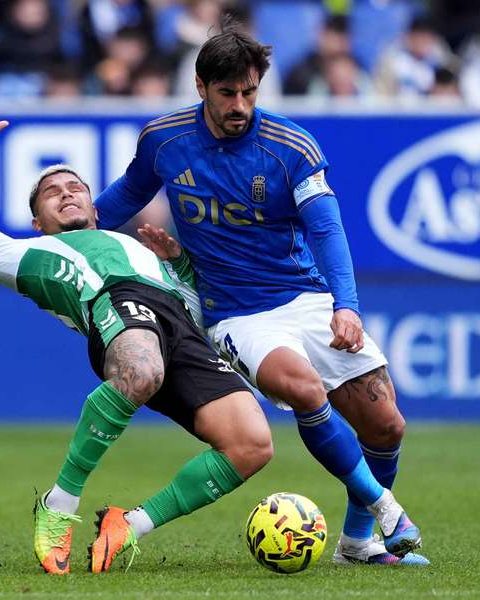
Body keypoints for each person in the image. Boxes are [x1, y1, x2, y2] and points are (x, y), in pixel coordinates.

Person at [94, 23, 427, 566]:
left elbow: (327, 228)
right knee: (300, 386)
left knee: (386, 422)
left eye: (249, 92)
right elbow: (116, 205)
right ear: (201, 86)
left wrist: (346, 304)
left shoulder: (290, 146)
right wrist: (57, 241)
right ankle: (388, 509)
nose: (240, 105)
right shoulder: (164, 141)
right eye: (228, 93)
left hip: (305, 297)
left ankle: (358, 542)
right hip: (237, 315)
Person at [0, 91, 274, 574]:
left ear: (95, 207)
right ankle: (59, 504)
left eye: (75, 187)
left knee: (252, 444)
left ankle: (128, 526)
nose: (67, 192)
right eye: (52, 193)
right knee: (140, 370)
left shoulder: (136, 245)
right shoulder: (32, 254)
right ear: (38, 222)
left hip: (173, 322)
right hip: (114, 304)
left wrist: (180, 267)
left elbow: (194, 314)